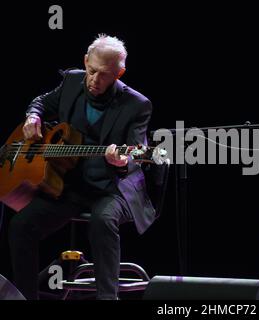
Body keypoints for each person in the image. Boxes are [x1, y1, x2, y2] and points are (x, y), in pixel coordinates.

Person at [8, 34, 155, 300]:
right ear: (86, 61)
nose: (95, 80)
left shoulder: (137, 105)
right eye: (92, 70)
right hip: (71, 186)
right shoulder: (72, 80)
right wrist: (33, 115)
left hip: (113, 188)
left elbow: (136, 154)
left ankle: (107, 298)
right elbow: (42, 102)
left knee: (102, 220)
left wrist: (122, 160)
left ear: (119, 73)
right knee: (21, 225)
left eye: (105, 75)